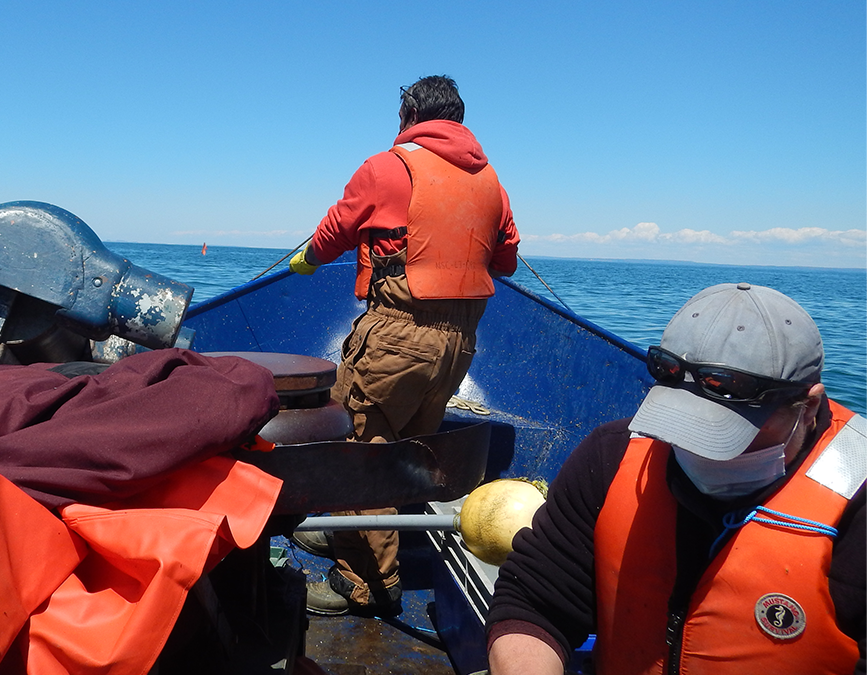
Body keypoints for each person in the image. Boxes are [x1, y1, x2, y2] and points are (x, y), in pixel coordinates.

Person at [485, 282, 865, 674]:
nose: (695, 451)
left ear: (808, 407)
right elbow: (535, 600)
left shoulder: (860, 502)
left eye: (726, 437)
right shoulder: (612, 455)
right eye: (681, 426)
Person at [288, 74, 521, 615]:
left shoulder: (386, 167)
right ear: (458, 121)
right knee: (410, 451)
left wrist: (307, 260)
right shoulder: (493, 182)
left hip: (396, 334)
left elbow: (334, 233)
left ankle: (365, 581)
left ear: (408, 116)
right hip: (458, 346)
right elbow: (505, 261)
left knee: (352, 454)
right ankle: (367, 538)